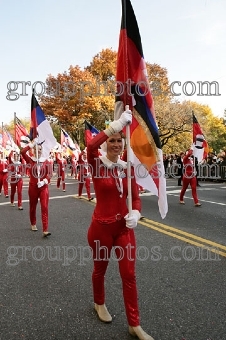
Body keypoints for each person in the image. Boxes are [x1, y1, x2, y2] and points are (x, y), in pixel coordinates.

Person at [87, 110, 154, 340]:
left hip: (123, 229)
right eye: (112, 141)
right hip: (101, 229)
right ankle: (99, 302)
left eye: (119, 141)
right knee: (100, 270)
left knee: (129, 274)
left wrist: (136, 211)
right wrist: (115, 126)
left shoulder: (127, 169)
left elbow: (135, 197)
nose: (116, 144)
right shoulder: (97, 164)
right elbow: (90, 147)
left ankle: (134, 324)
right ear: (107, 143)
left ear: (124, 144)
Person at [21, 138, 52, 236]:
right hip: (33, 187)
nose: (38, 151)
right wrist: (31, 144)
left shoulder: (46, 161)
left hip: (43, 187)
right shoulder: (30, 160)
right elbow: (22, 152)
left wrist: (44, 181)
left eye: (40, 149)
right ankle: (33, 223)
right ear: (33, 150)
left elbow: (50, 174)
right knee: (33, 207)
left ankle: (45, 229)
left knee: (44, 207)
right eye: (36, 149)